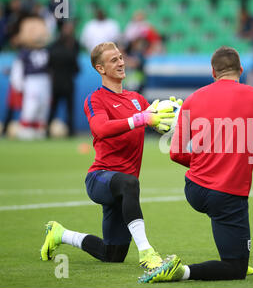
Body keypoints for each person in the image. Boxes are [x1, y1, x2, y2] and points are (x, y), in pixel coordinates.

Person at [139, 46, 253, 283]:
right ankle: (181, 272)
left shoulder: (192, 99)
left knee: (232, 244)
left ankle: (234, 251)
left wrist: (205, 159)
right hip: (227, 193)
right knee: (236, 269)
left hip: (195, 190)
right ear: (241, 70)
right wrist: (247, 147)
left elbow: (176, 154)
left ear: (213, 72)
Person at [40, 42, 176, 269]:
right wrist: (140, 119)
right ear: (100, 69)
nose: (121, 62)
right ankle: (147, 253)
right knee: (130, 183)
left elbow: (157, 121)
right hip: (100, 178)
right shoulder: (95, 99)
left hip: (123, 190)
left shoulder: (137, 99)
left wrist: (172, 116)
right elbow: (101, 129)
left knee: (112, 254)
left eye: (121, 57)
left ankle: (60, 233)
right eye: (114, 60)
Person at [47, 20, 80, 137]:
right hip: (67, 82)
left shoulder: (53, 48)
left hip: (56, 82)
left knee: (53, 108)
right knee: (69, 108)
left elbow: (48, 65)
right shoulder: (72, 49)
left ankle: (47, 131)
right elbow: (77, 69)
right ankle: (71, 132)